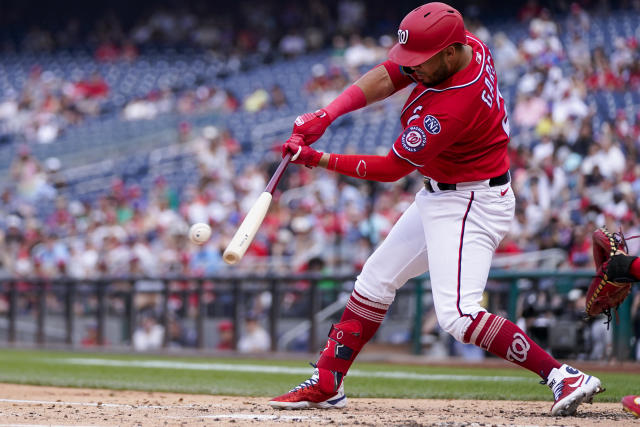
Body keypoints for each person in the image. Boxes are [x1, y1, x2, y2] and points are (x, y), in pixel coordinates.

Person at [269, 2, 603, 416]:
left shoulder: (454, 104)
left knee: (459, 316)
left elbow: (392, 169)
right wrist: (328, 113)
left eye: (421, 62)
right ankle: (327, 380)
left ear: (448, 53)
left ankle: (562, 376)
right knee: (374, 280)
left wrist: (317, 158)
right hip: (444, 193)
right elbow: (393, 72)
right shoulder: (467, 46)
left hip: (470, 202)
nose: (412, 69)